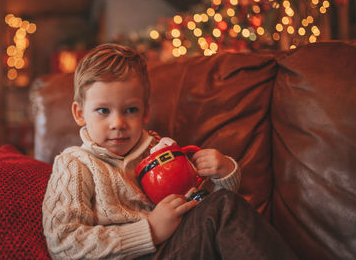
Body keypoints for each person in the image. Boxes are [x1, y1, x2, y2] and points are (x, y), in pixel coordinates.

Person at [42, 43, 297, 260]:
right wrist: (149, 230)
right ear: (79, 114)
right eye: (103, 111)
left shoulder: (160, 152)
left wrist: (225, 175)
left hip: (177, 247)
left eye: (130, 110)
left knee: (222, 206)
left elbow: (198, 205)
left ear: (146, 112)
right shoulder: (75, 164)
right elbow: (63, 243)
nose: (118, 123)